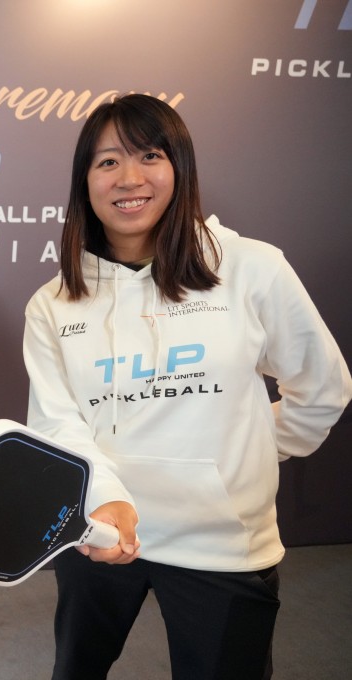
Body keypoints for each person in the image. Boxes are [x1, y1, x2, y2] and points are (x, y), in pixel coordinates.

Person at [23, 93, 352, 679]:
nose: (130, 178)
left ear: (180, 166)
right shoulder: (53, 303)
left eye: (149, 156)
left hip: (223, 545)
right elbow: (57, 424)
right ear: (84, 181)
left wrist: (250, 449)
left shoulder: (251, 267)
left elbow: (322, 385)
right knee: (76, 668)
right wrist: (105, 498)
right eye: (107, 162)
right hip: (100, 532)